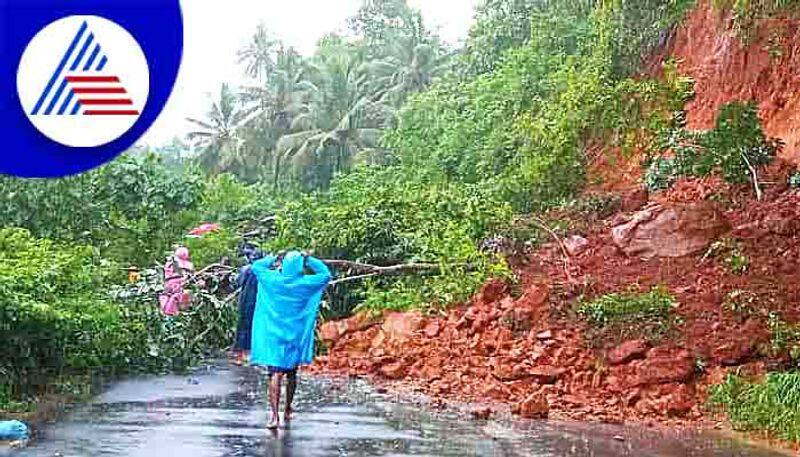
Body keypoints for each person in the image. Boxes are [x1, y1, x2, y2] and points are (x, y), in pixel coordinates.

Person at [250, 250, 331, 429]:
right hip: (295, 335)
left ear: (283, 265)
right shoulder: (305, 283)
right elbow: (325, 274)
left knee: (275, 373)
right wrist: (309, 259)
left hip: (273, 335)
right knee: (291, 373)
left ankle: (273, 416)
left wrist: (273, 258)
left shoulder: (272, 280)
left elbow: (256, 267)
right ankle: (287, 409)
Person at [231, 245, 263, 365]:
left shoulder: (245, 269)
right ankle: (249, 353)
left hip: (245, 300)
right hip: (257, 300)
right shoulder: (263, 270)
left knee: (243, 325)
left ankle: (240, 353)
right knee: (254, 326)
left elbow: (237, 283)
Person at [158, 246, 195, 316]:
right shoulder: (187, 264)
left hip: (171, 285)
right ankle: (171, 312)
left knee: (169, 297)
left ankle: (169, 312)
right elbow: (192, 275)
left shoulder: (170, 262)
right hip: (179, 284)